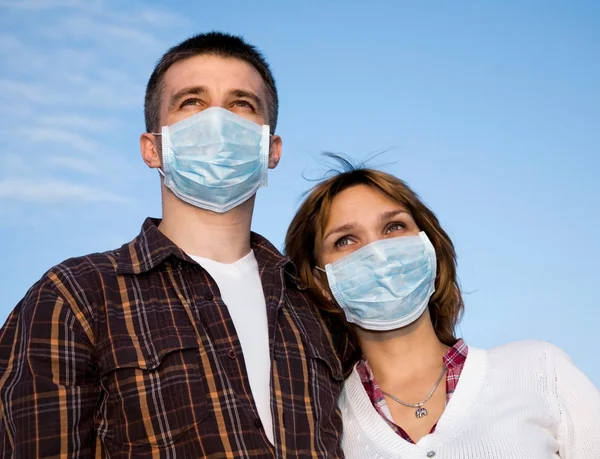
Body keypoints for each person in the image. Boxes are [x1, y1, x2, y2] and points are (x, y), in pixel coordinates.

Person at [0, 33, 349, 458]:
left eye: (242, 104)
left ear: (271, 150)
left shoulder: (318, 306)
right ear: (152, 149)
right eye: (192, 102)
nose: (218, 121)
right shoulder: (75, 296)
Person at [284, 155, 600, 458]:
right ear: (322, 283)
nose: (378, 251)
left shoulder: (540, 370)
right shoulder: (325, 426)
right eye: (345, 240)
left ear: (428, 249)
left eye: (393, 227)